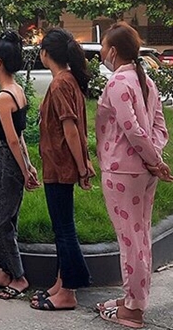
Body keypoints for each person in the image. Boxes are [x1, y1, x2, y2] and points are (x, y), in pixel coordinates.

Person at [95, 23, 172, 327]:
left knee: (130, 241)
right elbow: (158, 128)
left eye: (104, 47)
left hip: (121, 171)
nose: (102, 53)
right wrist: (155, 161)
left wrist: (153, 161)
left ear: (113, 51)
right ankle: (134, 299)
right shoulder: (146, 81)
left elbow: (133, 130)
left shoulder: (118, 82)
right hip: (142, 172)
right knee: (140, 237)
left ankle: (133, 310)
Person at [30, 28, 94, 311]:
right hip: (61, 165)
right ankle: (61, 283)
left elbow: (70, 129)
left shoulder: (59, 84)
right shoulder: (69, 80)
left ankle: (68, 292)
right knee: (62, 228)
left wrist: (81, 167)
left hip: (59, 165)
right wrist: (84, 163)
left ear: (46, 54)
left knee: (64, 229)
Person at [0, 32, 40, 299]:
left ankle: (18, 277)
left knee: (0, 221)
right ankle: (5, 271)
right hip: (10, 159)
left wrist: (24, 168)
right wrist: (27, 166)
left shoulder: (3, 98)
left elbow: (12, 140)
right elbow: (20, 135)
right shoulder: (18, 91)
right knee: (6, 217)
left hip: (5, 158)